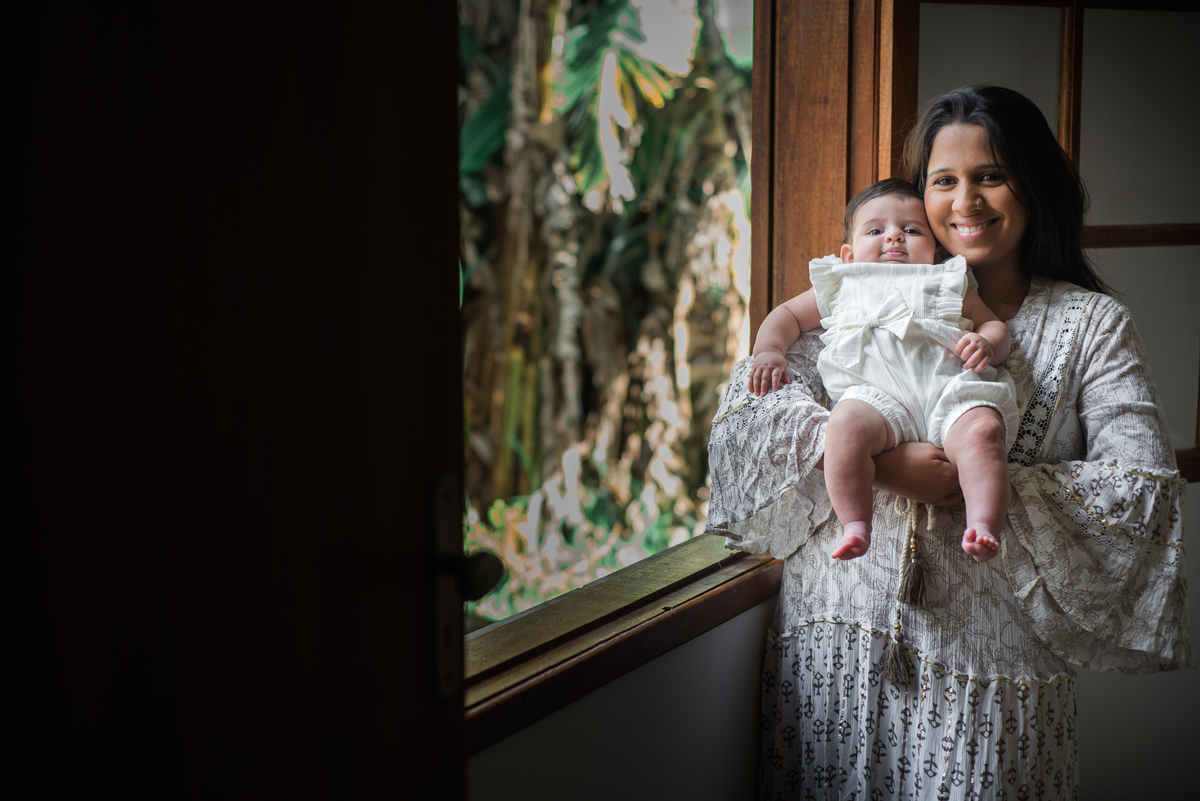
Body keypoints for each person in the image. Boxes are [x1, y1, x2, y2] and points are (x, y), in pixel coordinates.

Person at [705, 85, 1192, 799]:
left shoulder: (1090, 326)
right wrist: (888, 467)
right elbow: (748, 426)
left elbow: (1139, 493)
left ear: (1033, 186)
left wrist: (968, 481)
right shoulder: (864, 286)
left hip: (993, 675)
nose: (966, 201)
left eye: (990, 175)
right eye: (944, 180)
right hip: (834, 642)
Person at [747, 178, 1017, 564]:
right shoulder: (842, 282)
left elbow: (993, 325)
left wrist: (988, 342)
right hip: (874, 401)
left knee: (984, 433)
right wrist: (769, 350)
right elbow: (787, 314)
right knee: (843, 427)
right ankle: (855, 523)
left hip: (950, 392)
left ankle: (983, 524)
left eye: (912, 230)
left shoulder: (946, 281)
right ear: (848, 254)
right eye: (875, 231)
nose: (894, 237)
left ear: (937, 251)